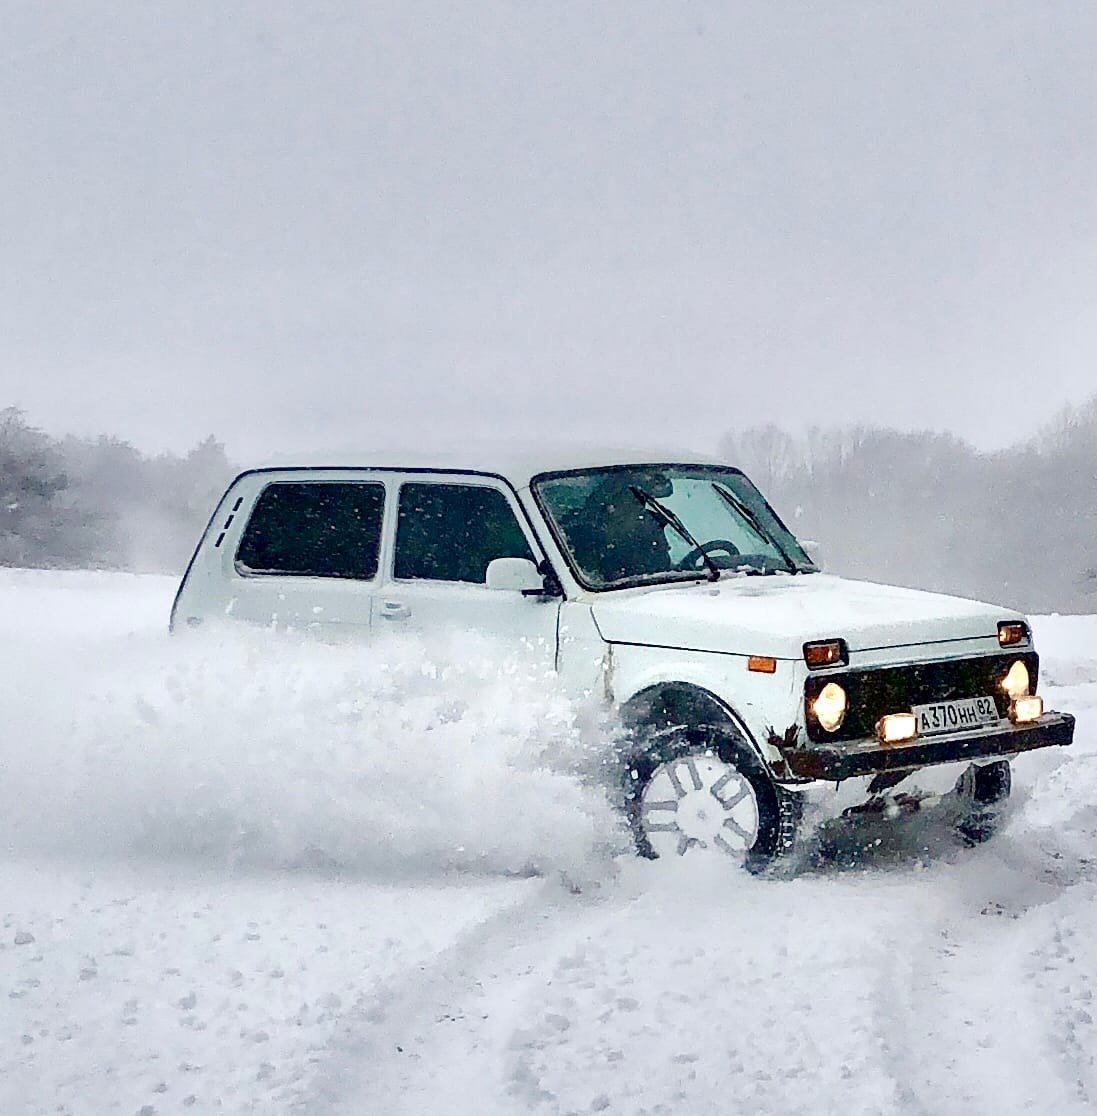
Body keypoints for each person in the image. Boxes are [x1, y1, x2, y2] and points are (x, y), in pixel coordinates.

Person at [561, 473, 673, 585]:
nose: (636, 511)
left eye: (637, 504)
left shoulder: (649, 533)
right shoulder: (575, 539)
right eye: (622, 501)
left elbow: (665, 574)